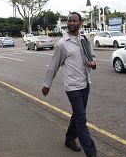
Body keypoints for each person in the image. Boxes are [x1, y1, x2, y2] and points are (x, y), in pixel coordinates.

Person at [42, 12, 97, 157]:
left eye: (74, 21)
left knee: (78, 115)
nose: (71, 23)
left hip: (86, 83)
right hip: (72, 87)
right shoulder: (62, 44)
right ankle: (91, 153)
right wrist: (47, 85)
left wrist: (93, 63)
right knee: (81, 119)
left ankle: (69, 139)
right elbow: (53, 66)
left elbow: (92, 56)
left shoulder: (84, 39)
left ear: (80, 23)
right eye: (69, 21)